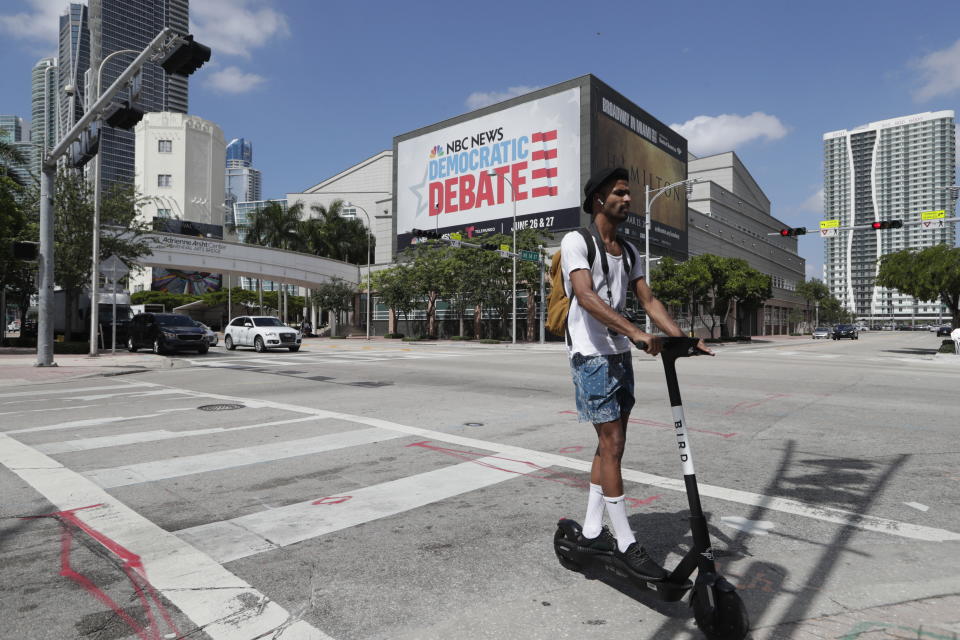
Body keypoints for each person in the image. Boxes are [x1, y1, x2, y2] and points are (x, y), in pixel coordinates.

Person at [561, 166, 713, 579]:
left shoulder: (629, 251)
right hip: (591, 354)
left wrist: (681, 340)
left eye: (629, 194)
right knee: (612, 444)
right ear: (599, 199)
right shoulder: (577, 241)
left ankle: (593, 530)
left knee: (610, 446)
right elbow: (586, 296)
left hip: (618, 355)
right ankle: (626, 541)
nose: (628, 200)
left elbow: (649, 299)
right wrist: (635, 334)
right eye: (621, 193)